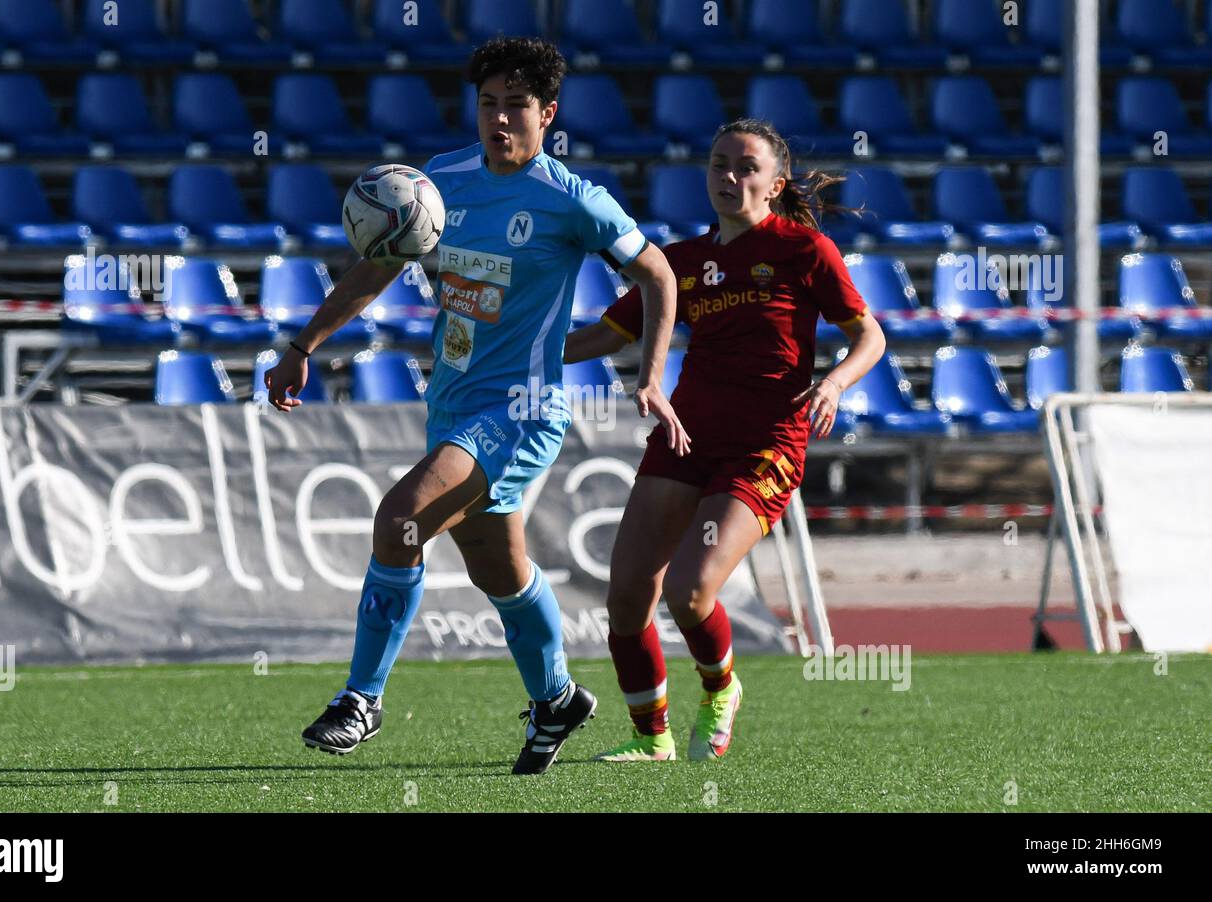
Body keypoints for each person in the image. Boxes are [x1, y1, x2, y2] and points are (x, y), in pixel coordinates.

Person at [263, 37, 687, 775]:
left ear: (547, 114)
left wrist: (650, 372)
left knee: (400, 519)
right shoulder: (440, 182)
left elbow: (658, 273)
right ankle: (556, 698)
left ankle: (361, 698)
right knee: (500, 570)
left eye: (516, 106)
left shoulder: (571, 199)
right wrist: (304, 343)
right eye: (488, 104)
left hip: (522, 409)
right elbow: (379, 267)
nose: (498, 120)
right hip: (453, 402)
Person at [563, 119, 886, 762]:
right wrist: (520, 357)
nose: (729, 178)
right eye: (718, 165)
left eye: (745, 167)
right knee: (626, 596)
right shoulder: (679, 263)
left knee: (688, 591)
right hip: (687, 436)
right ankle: (649, 739)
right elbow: (606, 335)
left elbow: (869, 335)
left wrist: (835, 385)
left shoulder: (804, 250)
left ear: (775, 183)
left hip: (766, 443)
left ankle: (720, 689)